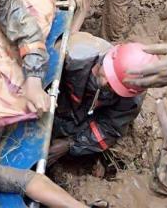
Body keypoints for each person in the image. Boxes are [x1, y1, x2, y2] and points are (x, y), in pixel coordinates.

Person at [49, 33, 157, 164]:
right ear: (111, 57)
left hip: (81, 121)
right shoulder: (74, 53)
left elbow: (110, 129)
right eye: (108, 74)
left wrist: (70, 144)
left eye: (113, 86)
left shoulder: (131, 97)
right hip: (56, 101)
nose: (105, 83)